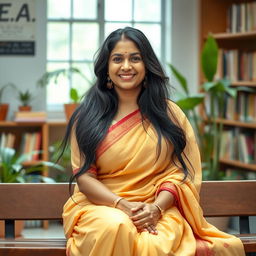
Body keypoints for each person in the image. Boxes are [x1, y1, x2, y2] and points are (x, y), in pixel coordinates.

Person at [61, 27, 245, 256]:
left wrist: (156, 208)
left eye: (135, 58)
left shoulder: (170, 114)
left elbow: (182, 173)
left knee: (155, 244)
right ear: (107, 67)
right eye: (118, 59)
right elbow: (85, 177)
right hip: (101, 207)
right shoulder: (87, 116)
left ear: (146, 65)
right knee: (115, 226)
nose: (126, 66)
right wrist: (123, 205)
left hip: (158, 208)